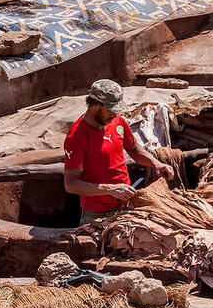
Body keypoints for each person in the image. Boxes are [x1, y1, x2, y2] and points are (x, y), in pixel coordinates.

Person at [64, 80, 174, 226]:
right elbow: (71, 184)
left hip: (126, 206)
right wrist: (111, 190)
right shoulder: (77, 136)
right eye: (110, 109)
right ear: (95, 104)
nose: (114, 114)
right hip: (97, 214)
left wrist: (157, 164)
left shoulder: (117, 121)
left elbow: (134, 149)